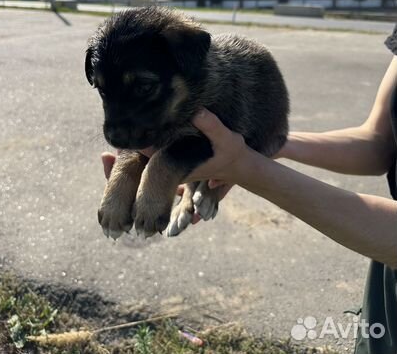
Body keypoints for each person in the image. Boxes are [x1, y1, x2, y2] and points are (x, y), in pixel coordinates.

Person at [102, 27, 397, 354]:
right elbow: (381, 143)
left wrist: (245, 165)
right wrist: (265, 145)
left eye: (144, 86)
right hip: (385, 280)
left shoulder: (201, 69)